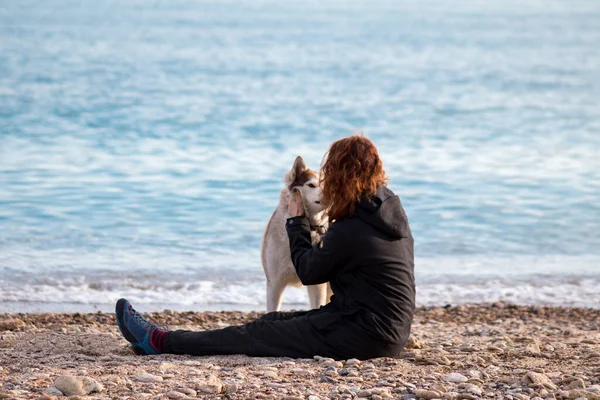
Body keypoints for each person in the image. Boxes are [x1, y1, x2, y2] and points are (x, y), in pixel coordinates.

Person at [115, 135, 415, 360]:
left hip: (362, 335)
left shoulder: (352, 227)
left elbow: (309, 272)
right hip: (385, 330)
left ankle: (157, 341)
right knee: (270, 322)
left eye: (331, 174)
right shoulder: (385, 211)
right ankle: (169, 338)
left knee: (256, 334)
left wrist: (296, 221)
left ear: (341, 176)